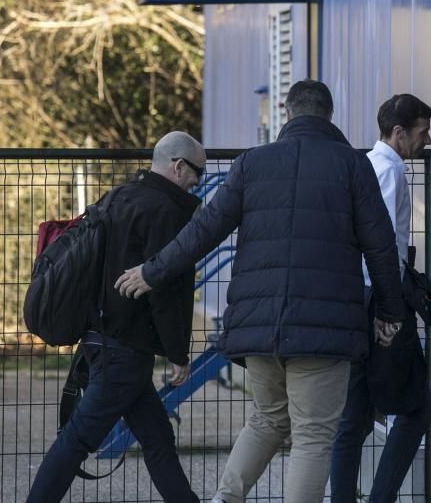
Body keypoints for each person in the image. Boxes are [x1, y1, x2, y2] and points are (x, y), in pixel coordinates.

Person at [114, 79, 405, 503]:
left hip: (259, 326)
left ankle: (224, 499)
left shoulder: (252, 164)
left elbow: (204, 230)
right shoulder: (352, 165)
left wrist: (152, 271)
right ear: (329, 115)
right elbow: (381, 246)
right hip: (325, 332)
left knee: (267, 420)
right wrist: (389, 313)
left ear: (287, 113)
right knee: (312, 435)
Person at [27, 131, 207, 503]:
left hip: (100, 338)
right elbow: (165, 290)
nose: (196, 182)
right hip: (124, 349)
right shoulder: (166, 211)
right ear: (178, 166)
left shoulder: (119, 197)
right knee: (77, 439)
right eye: (197, 173)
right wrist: (177, 354)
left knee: (157, 437)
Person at [330, 94, 431, 503]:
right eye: (421, 133)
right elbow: (384, 244)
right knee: (415, 409)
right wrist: (390, 312)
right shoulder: (390, 171)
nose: (425, 142)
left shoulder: (363, 166)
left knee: (352, 416)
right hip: (384, 299)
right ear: (399, 132)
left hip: (356, 299)